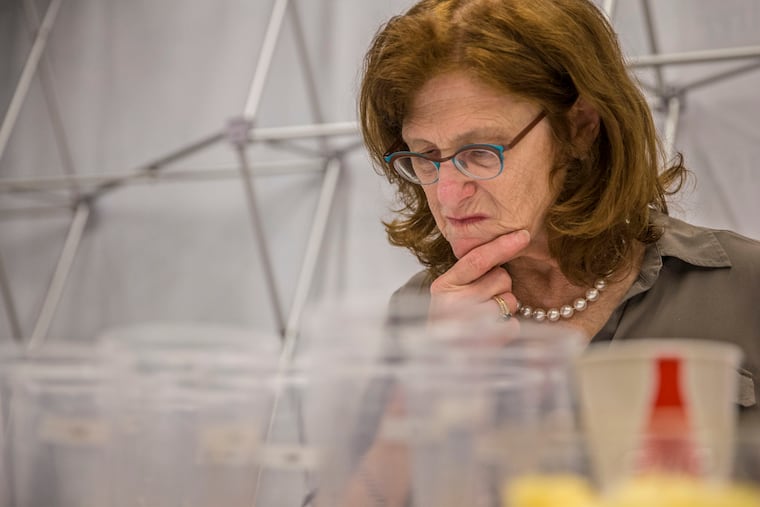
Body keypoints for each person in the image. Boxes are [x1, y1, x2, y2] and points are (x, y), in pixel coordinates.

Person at [358, 0, 759, 410]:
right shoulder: (420, 312)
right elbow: (362, 477)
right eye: (424, 157)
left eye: (479, 152)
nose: (446, 194)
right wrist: (431, 377)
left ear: (579, 127)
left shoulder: (744, 285)